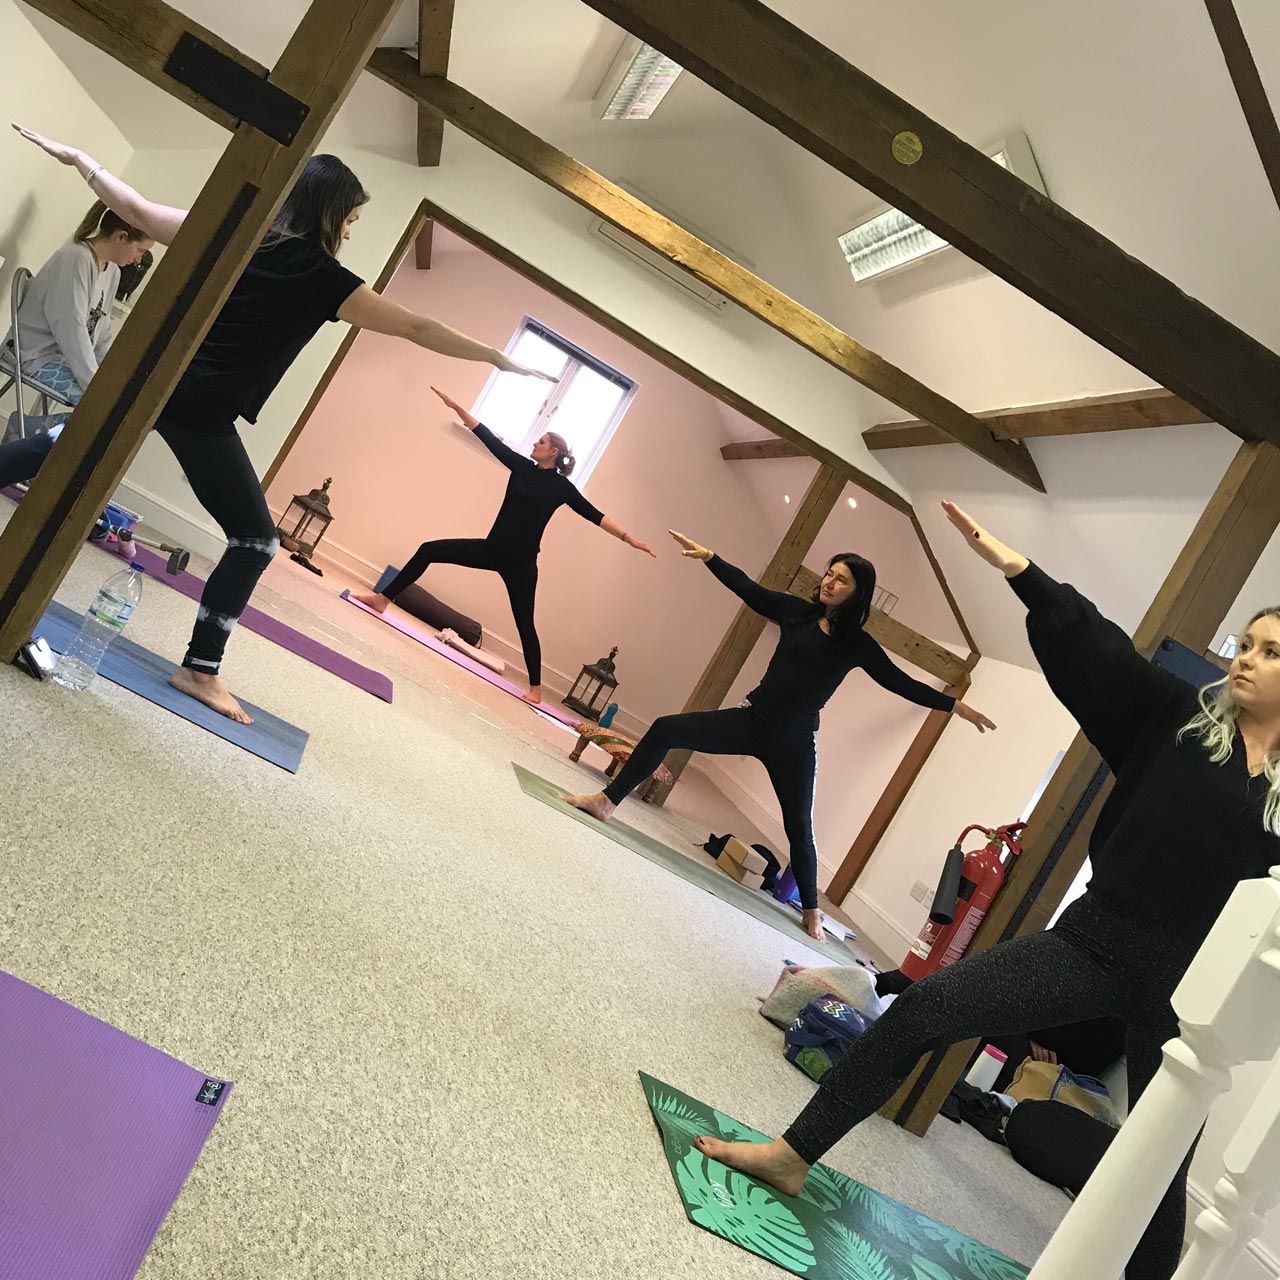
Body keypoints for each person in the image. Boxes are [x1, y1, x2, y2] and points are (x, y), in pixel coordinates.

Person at [692, 500, 1280, 1280]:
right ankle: (793, 1154)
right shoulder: (1178, 719)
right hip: (1098, 940)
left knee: (1161, 1158)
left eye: (1270, 652)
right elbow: (1104, 657)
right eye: (1247, 644)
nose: (1245, 659)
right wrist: (1024, 575)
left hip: (1191, 985)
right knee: (927, 1007)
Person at [13, 124, 554, 724]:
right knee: (255, 540)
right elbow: (414, 326)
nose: (350, 232)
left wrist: (82, 159)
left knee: (62, 445)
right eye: (350, 220)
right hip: (201, 407)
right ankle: (200, 669)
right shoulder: (324, 277)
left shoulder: (242, 234)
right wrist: (496, 357)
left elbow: (137, 210)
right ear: (329, 212)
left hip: (160, 378)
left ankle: (201, 667)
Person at [562, 528, 996, 940]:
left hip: (793, 744)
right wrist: (711, 557)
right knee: (665, 728)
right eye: (829, 573)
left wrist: (954, 706)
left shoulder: (857, 645)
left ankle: (812, 909)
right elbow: (749, 590)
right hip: (751, 720)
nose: (829, 582)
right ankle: (607, 802)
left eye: (841, 580)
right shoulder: (796, 612)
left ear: (857, 593)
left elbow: (900, 682)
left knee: (799, 827)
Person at [355, 386, 656, 703]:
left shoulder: (561, 488)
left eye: (541, 442)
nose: (535, 444)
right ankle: (382, 599)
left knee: (525, 623)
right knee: (429, 549)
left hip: (521, 565)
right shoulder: (522, 467)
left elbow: (594, 514)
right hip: (490, 549)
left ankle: (536, 690)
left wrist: (629, 539)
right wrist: (457, 407)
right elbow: (488, 437)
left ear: (553, 452)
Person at [3, 199, 153, 443]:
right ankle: (28, 436)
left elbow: (102, 331)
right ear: (121, 237)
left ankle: (29, 433)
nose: (139, 260)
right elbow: (70, 328)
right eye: (141, 250)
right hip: (32, 356)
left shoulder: (113, 272)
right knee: (106, 409)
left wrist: (109, 374)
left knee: (121, 406)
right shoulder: (76, 257)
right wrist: (95, 384)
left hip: (61, 359)